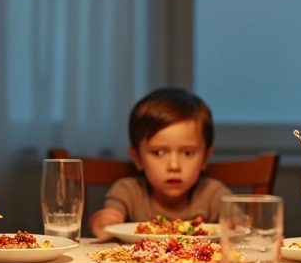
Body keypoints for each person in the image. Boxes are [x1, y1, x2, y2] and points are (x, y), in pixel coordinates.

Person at [88, 88, 231, 238]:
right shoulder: (128, 192)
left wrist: (236, 224)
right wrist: (102, 221)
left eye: (188, 153)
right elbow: (106, 220)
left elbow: (241, 226)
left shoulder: (213, 193)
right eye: (159, 153)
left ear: (205, 158)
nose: (174, 166)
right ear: (137, 158)